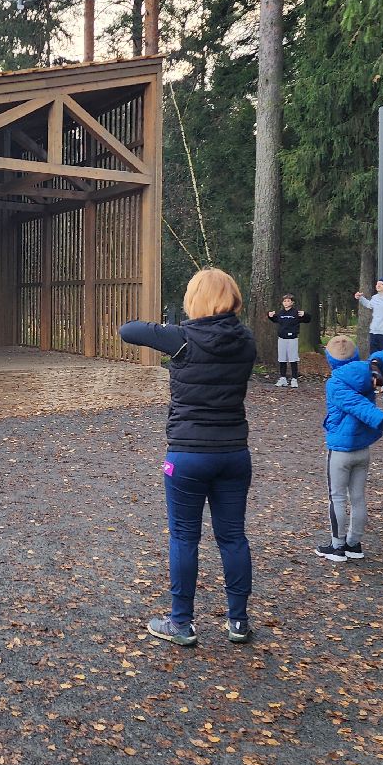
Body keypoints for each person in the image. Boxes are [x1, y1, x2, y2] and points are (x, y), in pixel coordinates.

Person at [120, 268, 257, 647]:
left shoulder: (182, 339)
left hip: (188, 454)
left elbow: (128, 329)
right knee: (232, 537)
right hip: (233, 453)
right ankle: (239, 622)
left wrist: (171, 328)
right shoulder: (246, 341)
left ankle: (181, 623)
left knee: (184, 537)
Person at [315, 336, 383, 561]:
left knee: (337, 497)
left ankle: (338, 547)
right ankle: (354, 544)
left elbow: (360, 407)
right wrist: (375, 366)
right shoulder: (366, 372)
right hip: (362, 449)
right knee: (357, 497)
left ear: (330, 360)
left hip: (340, 451)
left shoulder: (335, 383)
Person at [266, 292, 312, 387]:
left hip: (292, 339)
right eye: (284, 301)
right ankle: (283, 378)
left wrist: (305, 314)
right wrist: (269, 315)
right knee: (282, 359)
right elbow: (275, 319)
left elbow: (308, 320)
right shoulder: (280, 313)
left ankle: (294, 379)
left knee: (293, 359)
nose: (286, 303)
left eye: (288, 301)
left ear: (292, 302)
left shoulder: (296, 313)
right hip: (282, 339)